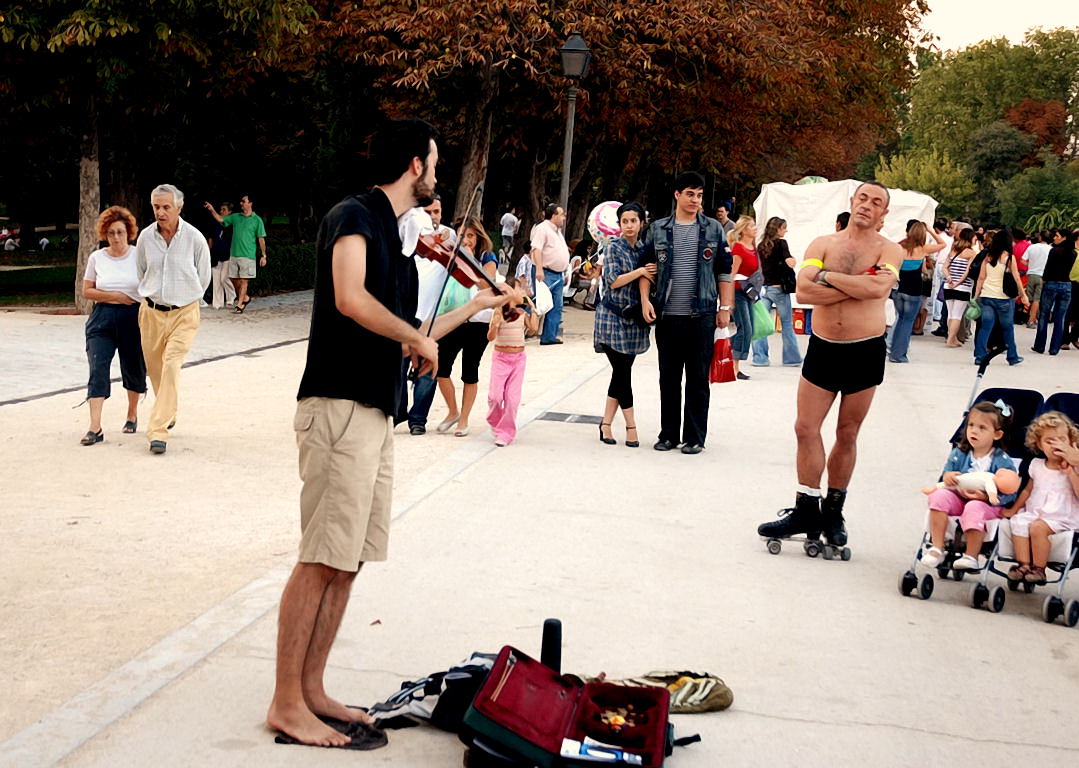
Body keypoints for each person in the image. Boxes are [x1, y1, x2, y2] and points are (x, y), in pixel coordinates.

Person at [268, 119, 507, 748]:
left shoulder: (399, 244)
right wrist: (414, 336)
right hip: (337, 406)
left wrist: (475, 307)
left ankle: (314, 689)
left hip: (374, 413)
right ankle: (286, 702)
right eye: (434, 161)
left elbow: (408, 329)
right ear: (413, 164)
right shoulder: (355, 217)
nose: (438, 173)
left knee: (347, 563)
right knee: (321, 558)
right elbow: (349, 298)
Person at [757, 181, 902, 548]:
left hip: (864, 350)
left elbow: (877, 291)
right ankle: (806, 506)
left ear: (884, 213)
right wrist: (855, 283)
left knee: (847, 433)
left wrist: (828, 278)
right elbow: (804, 291)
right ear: (852, 202)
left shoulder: (891, 250)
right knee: (805, 427)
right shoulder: (822, 244)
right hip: (823, 347)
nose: (868, 205)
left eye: (877, 202)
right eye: (863, 198)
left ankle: (833, 510)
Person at [638, 172, 734, 454]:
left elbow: (724, 271)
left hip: (702, 315)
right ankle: (668, 434)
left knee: (697, 379)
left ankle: (694, 437)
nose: (695, 200)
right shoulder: (658, 229)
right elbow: (647, 268)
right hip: (667, 315)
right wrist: (645, 300)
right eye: (690, 194)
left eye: (700, 195)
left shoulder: (714, 229)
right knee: (668, 377)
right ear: (677, 195)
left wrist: (725, 308)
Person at [135, 184, 211, 455]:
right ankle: (168, 410)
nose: (161, 211)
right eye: (156, 206)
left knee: (171, 365)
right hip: (151, 313)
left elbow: (203, 277)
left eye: (166, 207)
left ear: (179, 207)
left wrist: (186, 298)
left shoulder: (195, 238)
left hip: (184, 313)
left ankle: (157, 431)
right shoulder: (145, 238)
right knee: (155, 370)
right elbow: (141, 272)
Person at [921, 401, 1017, 570]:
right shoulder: (960, 453)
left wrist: (986, 497)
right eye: (971, 425)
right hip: (959, 496)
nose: (974, 430)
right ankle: (937, 546)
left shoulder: (1002, 460)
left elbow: (1010, 490)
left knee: (974, 507)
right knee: (938, 496)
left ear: (996, 435)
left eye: (982, 428)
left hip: (985, 503)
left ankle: (971, 556)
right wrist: (949, 476)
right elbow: (947, 472)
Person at [79, 206, 146, 445]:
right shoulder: (97, 258)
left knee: (133, 367)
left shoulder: (139, 255)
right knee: (97, 368)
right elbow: (87, 290)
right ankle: (95, 427)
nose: (115, 237)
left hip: (133, 318)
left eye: (119, 232)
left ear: (128, 232)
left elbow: (150, 287)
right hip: (103, 318)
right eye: (110, 233)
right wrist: (116, 296)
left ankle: (132, 413)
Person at [594, 202, 654, 447]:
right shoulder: (613, 248)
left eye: (633, 220)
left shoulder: (643, 248)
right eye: (625, 221)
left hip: (633, 320)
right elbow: (613, 281)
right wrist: (640, 271)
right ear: (619, 225)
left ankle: (606, 423)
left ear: (641, 223)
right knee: (622, 372)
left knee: (620, 373)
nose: (629, 225)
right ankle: (631, 426)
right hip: (611, 318)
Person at [433, 217, 499, 437]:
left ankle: (464, 419)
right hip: (453, 318)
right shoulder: (451, 254)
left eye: (470, 235)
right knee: (440, 369)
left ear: (478, 236)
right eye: (462, 235)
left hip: (478, 321)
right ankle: (452, 411)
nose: (466, 240)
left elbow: (486, 286)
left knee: (470, 371)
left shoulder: (487, 257)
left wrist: (471, 261)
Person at [1001, 411, 1079, 585]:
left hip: (1062, 516)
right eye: (1049, 441)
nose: (1055, 445)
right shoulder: (1036, 465)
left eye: (1061, 440)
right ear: (1039, 444)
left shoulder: (1074, 466)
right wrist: (1014, 509)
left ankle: (1039, 569)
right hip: (1036, 511)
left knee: (1038, 528)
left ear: (1071, 443)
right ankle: (1023, 565)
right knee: (1018, 522)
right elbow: (1028, 490)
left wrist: (1071, 473)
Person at [486, 277, 538, 446]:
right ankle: (495, 421)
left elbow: (534, 328)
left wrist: (533, 308)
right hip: (501, 358)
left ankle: (506, 433)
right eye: (517, 290)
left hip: (518, 359)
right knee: (495, 396)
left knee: (512, 399)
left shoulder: (522, 312)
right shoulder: (500, 311)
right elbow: (490, 337)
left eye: (520, 290)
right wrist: (495, 324)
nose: (520, 293)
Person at [888, 221, 945, 363]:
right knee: (907, 323)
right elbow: (942, 244)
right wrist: (931, 230)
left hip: (899, 290)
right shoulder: (923, 249)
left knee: (900, 319)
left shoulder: (900, 248)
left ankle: (893, 351)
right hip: (913, 291)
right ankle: (899, 354)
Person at [750, 216, 802, 367]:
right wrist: (793, 260)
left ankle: (760, 358)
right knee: (786, 324)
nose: (786, 230)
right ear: (778, 229)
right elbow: (789, 262)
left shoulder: (761, 246)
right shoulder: (781, 243)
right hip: (778, 289)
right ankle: (791, 358)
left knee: (760, 324)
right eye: (784, 227)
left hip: (763, 289)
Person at [972, 229, 1028, 365]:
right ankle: (1012, 356)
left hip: (987, 296)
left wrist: (976, 295)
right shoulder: (1009, 258)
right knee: (1007, 328)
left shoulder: (988, 257)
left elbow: (981, 278)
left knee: (985, 327)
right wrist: (1023, 295)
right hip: (1003, 299)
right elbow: (1016, 278)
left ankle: (980, 356)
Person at [204, 195, 266, 313]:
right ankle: (245, 298)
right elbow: (221, 219)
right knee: (233, 278)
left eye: (244, 201)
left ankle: (240, 304)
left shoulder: (257, 220)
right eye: (241, 201)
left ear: (250, 203)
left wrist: (264, 255)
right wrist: (212, 209)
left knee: (244, 280)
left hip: (248, 255)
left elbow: (261, 239)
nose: (241, 203)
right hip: (234, 255)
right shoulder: (236, 217)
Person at [531, 203, 571, 345]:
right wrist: (540, 269)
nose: (564, 218)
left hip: (558, 273)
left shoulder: (557, 231)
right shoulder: (543, 229)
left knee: (556, 306)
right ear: (553, 215)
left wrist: (565, 270)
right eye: (562, 214)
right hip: (546, 272)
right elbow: (536, 249)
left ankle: (549, 336)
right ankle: (523, 327)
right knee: (541, 303)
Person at [1032, 228, 1076, 355]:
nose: (1054, 238)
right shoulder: (1073, 253)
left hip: (1051, 283)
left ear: (1064, 238)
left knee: (1044, 314)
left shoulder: (1054, 251)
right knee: (1060, 318)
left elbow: (1048, 268)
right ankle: (1054, 347)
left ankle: (1040, 345)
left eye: (1057, 236)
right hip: (1066, 285)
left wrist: (1044, 280)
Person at [729, 215, 759, 379]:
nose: (755, 228)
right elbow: (732, 274)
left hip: (749, 291)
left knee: (750, 329)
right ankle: (735, 367)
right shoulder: (739, 248)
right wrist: (729, 299)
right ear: (745, 229)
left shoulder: (752, 247)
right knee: (745, 328)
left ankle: (724, 347)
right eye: (752, 226)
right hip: (738, 291)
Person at [940, 227, 976, 348]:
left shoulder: (953, 250)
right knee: (957, 315)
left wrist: (949, 278)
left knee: (950, 314)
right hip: (963, 287)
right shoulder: (971, 253)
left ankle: (952, 338)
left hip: (948, 285)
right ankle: (951, 339)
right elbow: (967, 271)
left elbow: (944, 267)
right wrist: (958, 283)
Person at [206, 201, 237, 309]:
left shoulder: (232, 224)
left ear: (230, 212)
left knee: (224, 278)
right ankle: (217, 303)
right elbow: (210, 237)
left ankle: (231, 296)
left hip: (228, 253)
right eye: (221, 209)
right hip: (216, 253)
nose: (221, 211)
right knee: (216, 280)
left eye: (224, 209)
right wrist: (209, 250)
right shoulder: (214, 222)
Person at [1023, 230, 1050, 328]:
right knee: (1037, 299)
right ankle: (1032, 320)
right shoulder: (1050, 249)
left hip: (1031, 275)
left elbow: (1023, 260)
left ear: (1040, 237)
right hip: (1042, 275)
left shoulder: (1032, 247)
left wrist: (1030, 265)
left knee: (1030, 298)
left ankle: (1031, 316)